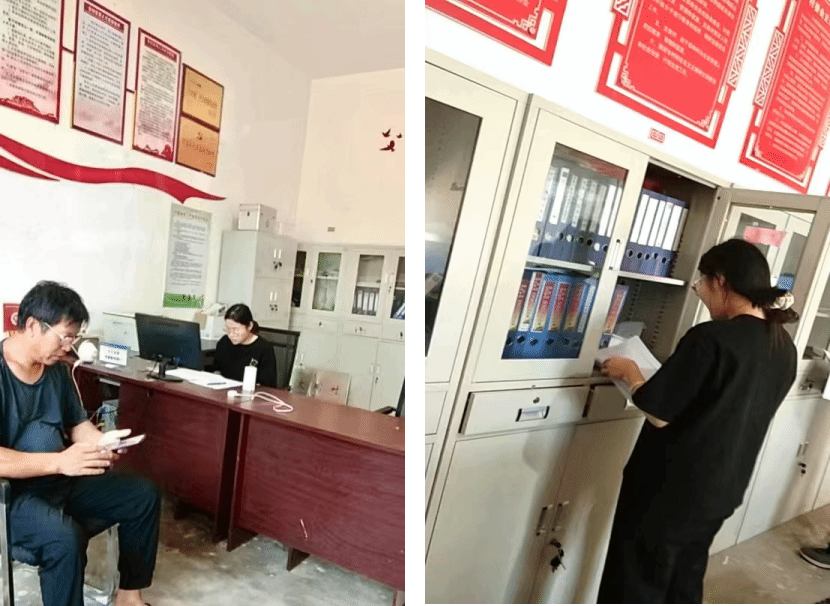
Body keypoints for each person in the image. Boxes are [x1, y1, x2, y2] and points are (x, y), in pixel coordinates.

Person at [596, 239, 798, 604]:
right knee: (683, 579)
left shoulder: (711, 338)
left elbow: (660, 414)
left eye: (701, 281)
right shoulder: (783, 346)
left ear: (720, 280)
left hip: (671, 490)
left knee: (636, 581)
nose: (697, 290)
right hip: (722, 488)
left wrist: (631, 373)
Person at [0, 281, 160, 606]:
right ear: (32, 326)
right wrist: (60, 462)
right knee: (65, 540)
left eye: (74, 337)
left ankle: (129, 597)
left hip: (59, 481)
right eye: (65, 336)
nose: (69, 346)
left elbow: (76, 425)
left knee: (142, 494)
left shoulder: (56, 372)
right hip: (10, 497)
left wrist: (102, 442)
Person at [209, 303, 277, 387]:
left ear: (249, 326)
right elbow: (216, 370)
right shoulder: (224, 342)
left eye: (235, 329)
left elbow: (268, 385)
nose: (231, 334)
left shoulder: (264, 349)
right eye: (228, 329)